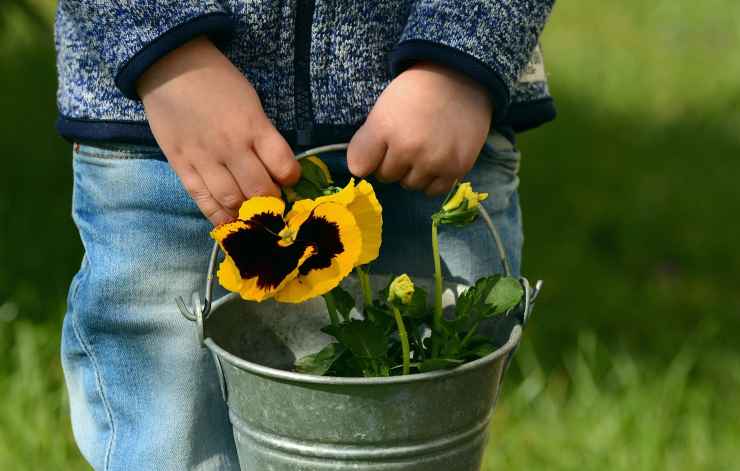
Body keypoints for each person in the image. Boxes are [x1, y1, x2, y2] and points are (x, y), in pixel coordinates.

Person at [55, 1, 556, 469]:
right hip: (171, 123)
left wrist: (465, 51)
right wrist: (164, 47)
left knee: (420, 429)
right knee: (170, 441)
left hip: (435, 122)